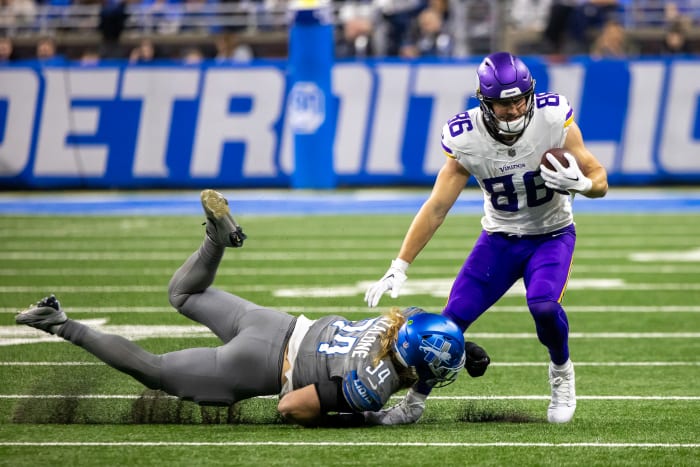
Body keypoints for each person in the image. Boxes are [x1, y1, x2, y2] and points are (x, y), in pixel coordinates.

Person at [15, 190, 472, 428]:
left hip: (272, 322)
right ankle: (58, 322)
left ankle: (215, 240)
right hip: (260, 365)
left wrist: (466, 351)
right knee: (154, 369)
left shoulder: (399, 320)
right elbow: (290, 406)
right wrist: (361, 417)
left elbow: (426, 335)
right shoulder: (371, 385)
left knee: (183, 295)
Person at [364, 51, 609, 424]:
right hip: (499, 240)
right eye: (502, 103)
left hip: (551, 235)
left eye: (517, 100)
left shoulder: (553, 117)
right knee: (448, 325)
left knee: (544, 306)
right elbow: (435, 208)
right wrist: (400, 264)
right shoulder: (466, 137)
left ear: (529, 95)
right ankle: (413, 404)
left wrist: (585, 184)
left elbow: (599, 177)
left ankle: (561, 374)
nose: (512, 110)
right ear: (484, 101)